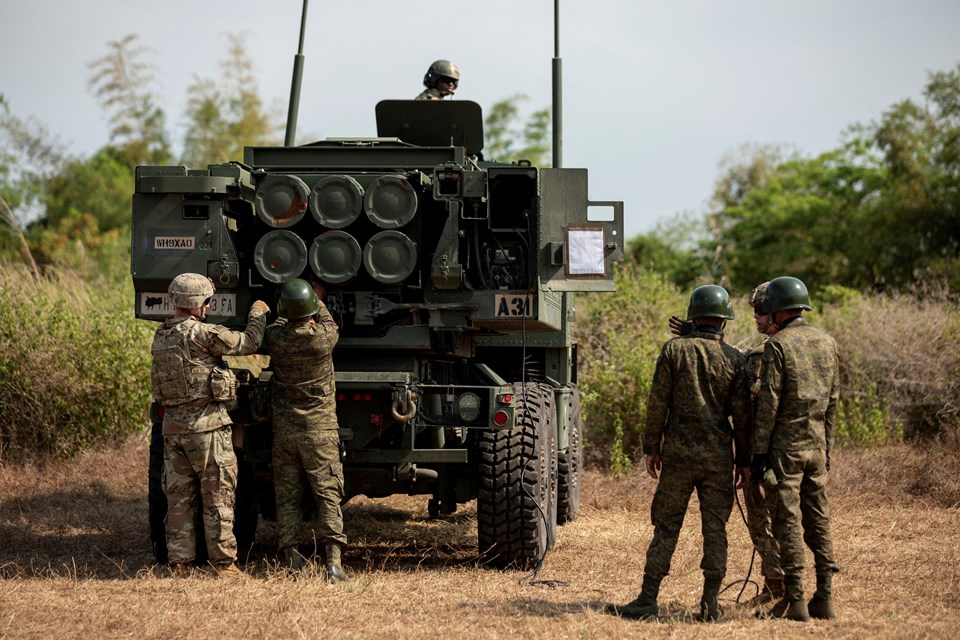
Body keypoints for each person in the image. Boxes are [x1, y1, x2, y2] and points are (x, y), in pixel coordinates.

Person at [608, 285, 751, 622]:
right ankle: (711, 604)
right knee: (715, 530)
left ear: (692, 315)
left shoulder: (674, 350)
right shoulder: (734, 358)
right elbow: (743, 416)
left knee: (666, 527)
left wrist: (651, 447)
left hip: (678, 458)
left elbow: (658, 402)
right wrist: (743, 461)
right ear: (723, 320)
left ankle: (647, 598)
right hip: (718, 461)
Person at [668, 284, 785, 605]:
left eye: (760, 311)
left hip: (767, 452)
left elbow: (745, 380)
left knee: (766, 522)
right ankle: (782, 587)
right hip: (782, 450)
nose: (756, 318)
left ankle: (780, 587)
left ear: (776, 311)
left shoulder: (769, 353)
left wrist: (701, 337)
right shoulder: (785, 347)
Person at [151, 273, 268, 578]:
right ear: (195, 303)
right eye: (206, 300)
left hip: (174, 431)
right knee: (218, 499)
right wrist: (258, 313)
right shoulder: (203, 334)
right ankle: (224, 565)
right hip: (207, 431)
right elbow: (249, 342)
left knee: (179, 501)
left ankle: (180, 564)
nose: (208, 305)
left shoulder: (161, 335)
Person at [751, 276, 839, 621]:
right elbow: (833, 401)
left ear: (777, 309)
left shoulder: (779, 346)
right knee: (819, 520)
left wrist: (759, 453)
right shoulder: (827, 342)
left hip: (785, 451)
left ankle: (795, 601)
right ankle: (826, 598)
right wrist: (827, 446)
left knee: (787, 521)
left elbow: (769, 403)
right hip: (816, 446)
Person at [262, 278, 348, 583]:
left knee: (287, 498)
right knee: (327, 495)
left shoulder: (275, 337)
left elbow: (279, 321)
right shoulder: (324, 337)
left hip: (285, 433)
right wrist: (318, 296)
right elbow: (325, 318)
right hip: (320, 433)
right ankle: (333, 564)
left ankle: (293, 562)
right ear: (311, 308)